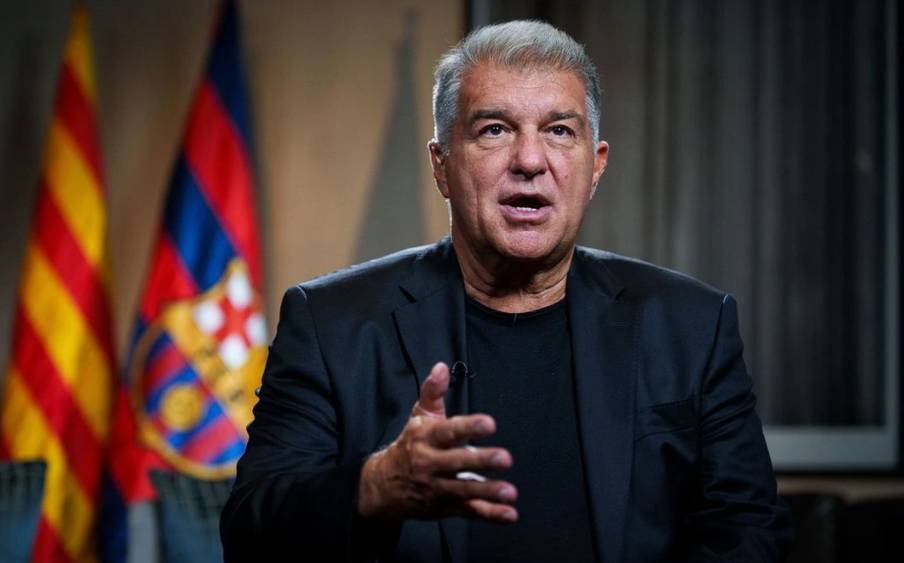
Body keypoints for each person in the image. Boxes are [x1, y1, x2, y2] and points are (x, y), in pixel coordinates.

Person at [220, 20, 792, 562]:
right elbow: (250, 535)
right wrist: (375, 487)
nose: (530, 160)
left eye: (559, 131)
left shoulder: (693, 326)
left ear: (596, 166)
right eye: (494, 130)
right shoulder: (330, 324)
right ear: (441, 165)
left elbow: (748, 531)